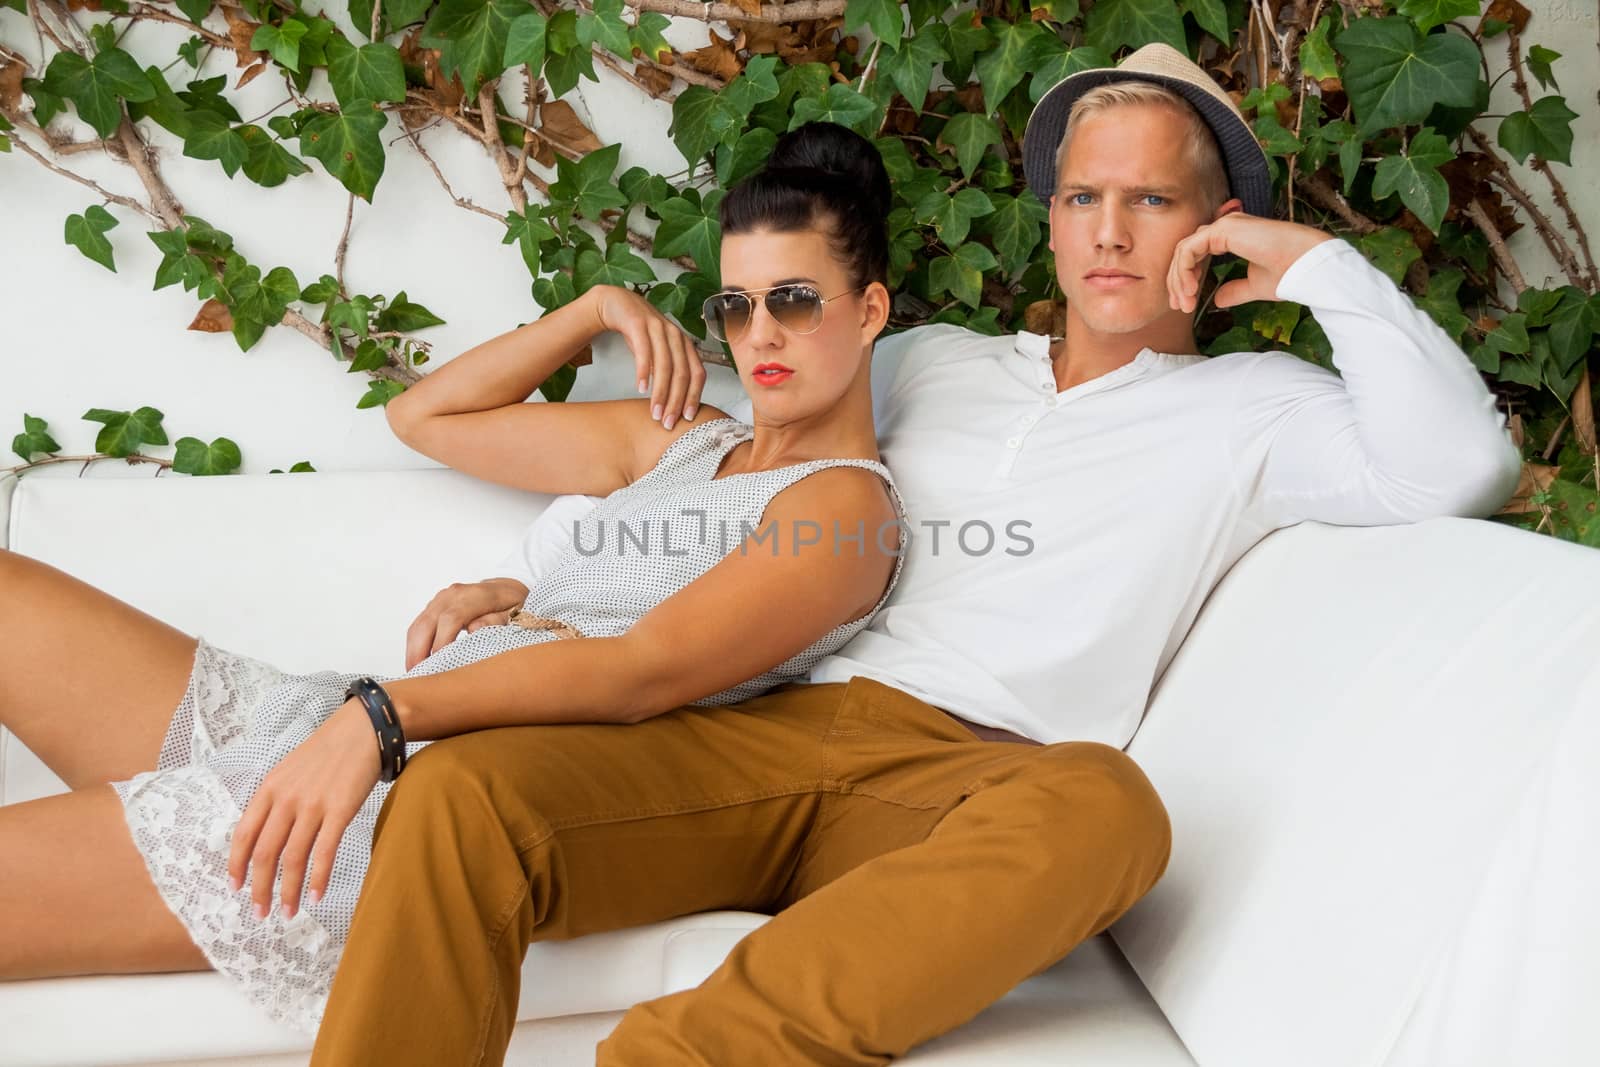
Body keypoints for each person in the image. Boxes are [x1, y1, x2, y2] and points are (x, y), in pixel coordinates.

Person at [310, 44, 1522, 1067]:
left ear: (1211, 229)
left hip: (961, 778)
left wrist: (1310, 266)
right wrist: (540, 583)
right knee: (463, 794)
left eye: (1150, 201)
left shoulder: (1259, 407)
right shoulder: (924, 359)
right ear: (1047, 218)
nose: (1107, 233)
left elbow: (1458, 463)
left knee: (1107, 805)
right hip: (756, 728)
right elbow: (730, 467)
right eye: (1080, 198)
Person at [0, 123, 919, 1031]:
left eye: (794, 301)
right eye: (735, 306)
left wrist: (383, 716)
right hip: (331, 726)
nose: (760, 334)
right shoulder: (682, 439)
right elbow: (424, 416)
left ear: (870, 310)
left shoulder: (842, 511)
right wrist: (596, 306)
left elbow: (642, 667)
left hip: (401, 801)